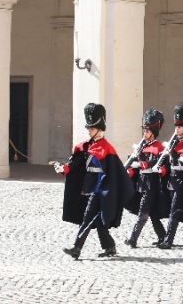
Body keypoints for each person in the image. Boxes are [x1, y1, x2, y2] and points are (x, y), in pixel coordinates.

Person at [57, 103, 134, 259]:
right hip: (91, 189)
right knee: (94, 220)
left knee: (89, 218)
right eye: (89, 128)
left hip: (103, 191)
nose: (89, 130)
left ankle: (77, 248)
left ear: (99, 129)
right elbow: (77, 164)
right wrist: (65, 169)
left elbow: (114, 174)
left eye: (92, 128)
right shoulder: (86, 147)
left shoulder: (107, 149)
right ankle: (109, 247)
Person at [124, 108, 169, 248]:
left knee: (143, 213)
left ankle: (133, 239)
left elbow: (157, 163)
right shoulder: (141, 146)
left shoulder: (159, 148)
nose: (145, 133)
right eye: (144, 131)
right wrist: (130, 170)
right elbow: (134, 166)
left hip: (152, 184)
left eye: (148, 131)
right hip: (142, 183)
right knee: (153, 214)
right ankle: (163, 236)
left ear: (153, 132)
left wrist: (143, 163)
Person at [157, 105, 183, 249]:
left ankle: (168, 240)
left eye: (180, 127)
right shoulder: (174, 143)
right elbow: (168, 164)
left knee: (174, 211)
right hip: (172, 180)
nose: (177, 130)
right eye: (176, 127)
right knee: (180, 213)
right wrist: (162, 167)